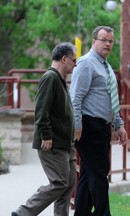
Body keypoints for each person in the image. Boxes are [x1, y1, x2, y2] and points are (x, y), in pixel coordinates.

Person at [12, 42, 77, 216]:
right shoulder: (50, 78)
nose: (75, 64)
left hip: (65, 143)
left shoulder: (60, 80)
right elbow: (41, 111)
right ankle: (23, 213)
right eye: (74, 60)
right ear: (64, 59)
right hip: (52, 143)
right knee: (59, 182)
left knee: (68, 184)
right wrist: (46, 136)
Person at [69, 26, 127, 216]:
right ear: (94, 41)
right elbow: (75, 97)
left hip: (102, 127)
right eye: (104, 40)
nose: (108, 44)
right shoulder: (86, 64)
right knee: (100, 173)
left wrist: (119, 124)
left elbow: (111, 97)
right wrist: (77, 125)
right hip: (88, 126)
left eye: (111, 41)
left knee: (88, 174)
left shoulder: (105, 65)